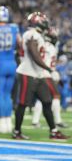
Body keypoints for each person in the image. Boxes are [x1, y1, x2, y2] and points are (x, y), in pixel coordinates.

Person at [13, 12, 68, 140]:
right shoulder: (31, 34)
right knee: (22, 104)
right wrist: (48, 68)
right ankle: (17, 132)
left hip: (38, 74)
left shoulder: (38, 35)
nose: (46, 23)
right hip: (28, 73)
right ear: (38, 22)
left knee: (47, 101)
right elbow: (33, 53)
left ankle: (53, 131)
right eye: (44, 21)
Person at [31, 27, 68, 129]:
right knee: (55, 96)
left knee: (42, 98)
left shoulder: (42, 45)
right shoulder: (51, 48)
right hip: (47, 73)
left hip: (41, 72)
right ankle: (58, 121)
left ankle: (35, 121)